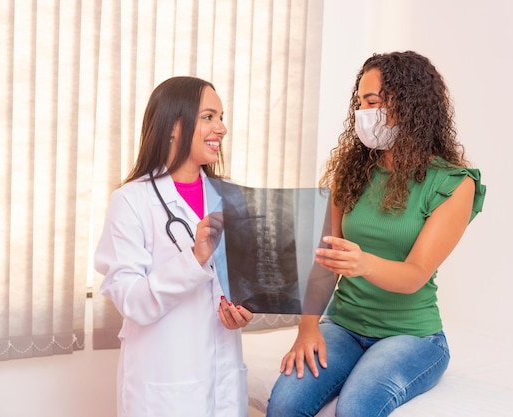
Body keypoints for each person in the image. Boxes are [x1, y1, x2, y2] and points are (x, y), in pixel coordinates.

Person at [266, 51, 486, 417]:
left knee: (355, 409)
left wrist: (363, 262)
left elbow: (415, 275)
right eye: (359, 103)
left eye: (373, 102)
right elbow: (325, 263)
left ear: (409, 104)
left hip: (411, 335)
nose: (363, 114)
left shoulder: (453, 183)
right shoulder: (351, 172)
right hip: (344, 326)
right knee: (284, 406)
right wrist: (307, 329)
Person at [94, 76, 254, 417]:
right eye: (209, 117)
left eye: (221, 117)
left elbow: (239, 286)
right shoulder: (131, 201)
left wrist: (241, 312)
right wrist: (195, 257)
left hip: (223, 380)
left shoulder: (232, 197)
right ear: (173, 126)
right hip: (163, 385)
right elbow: (133, 301)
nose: (222, 128)